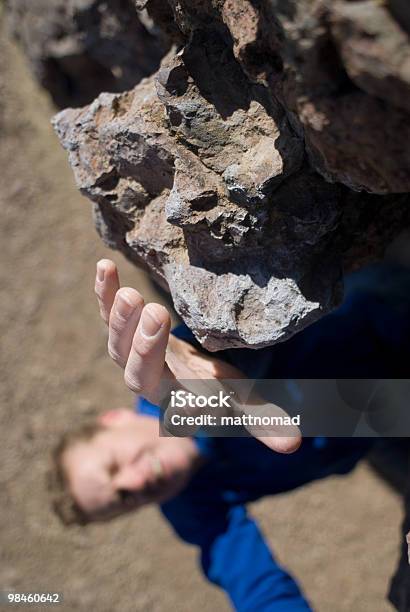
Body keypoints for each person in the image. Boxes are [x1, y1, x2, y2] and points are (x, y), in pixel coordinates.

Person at [49, 257, 410, 611]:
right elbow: (254, 584)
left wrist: (201, 355)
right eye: (124, 499)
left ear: (113, 420)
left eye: (113, 466)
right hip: (380, 424)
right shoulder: (191, 506)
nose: (136, 482)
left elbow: (223, 345)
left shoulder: (175, 383)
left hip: (384, 317)